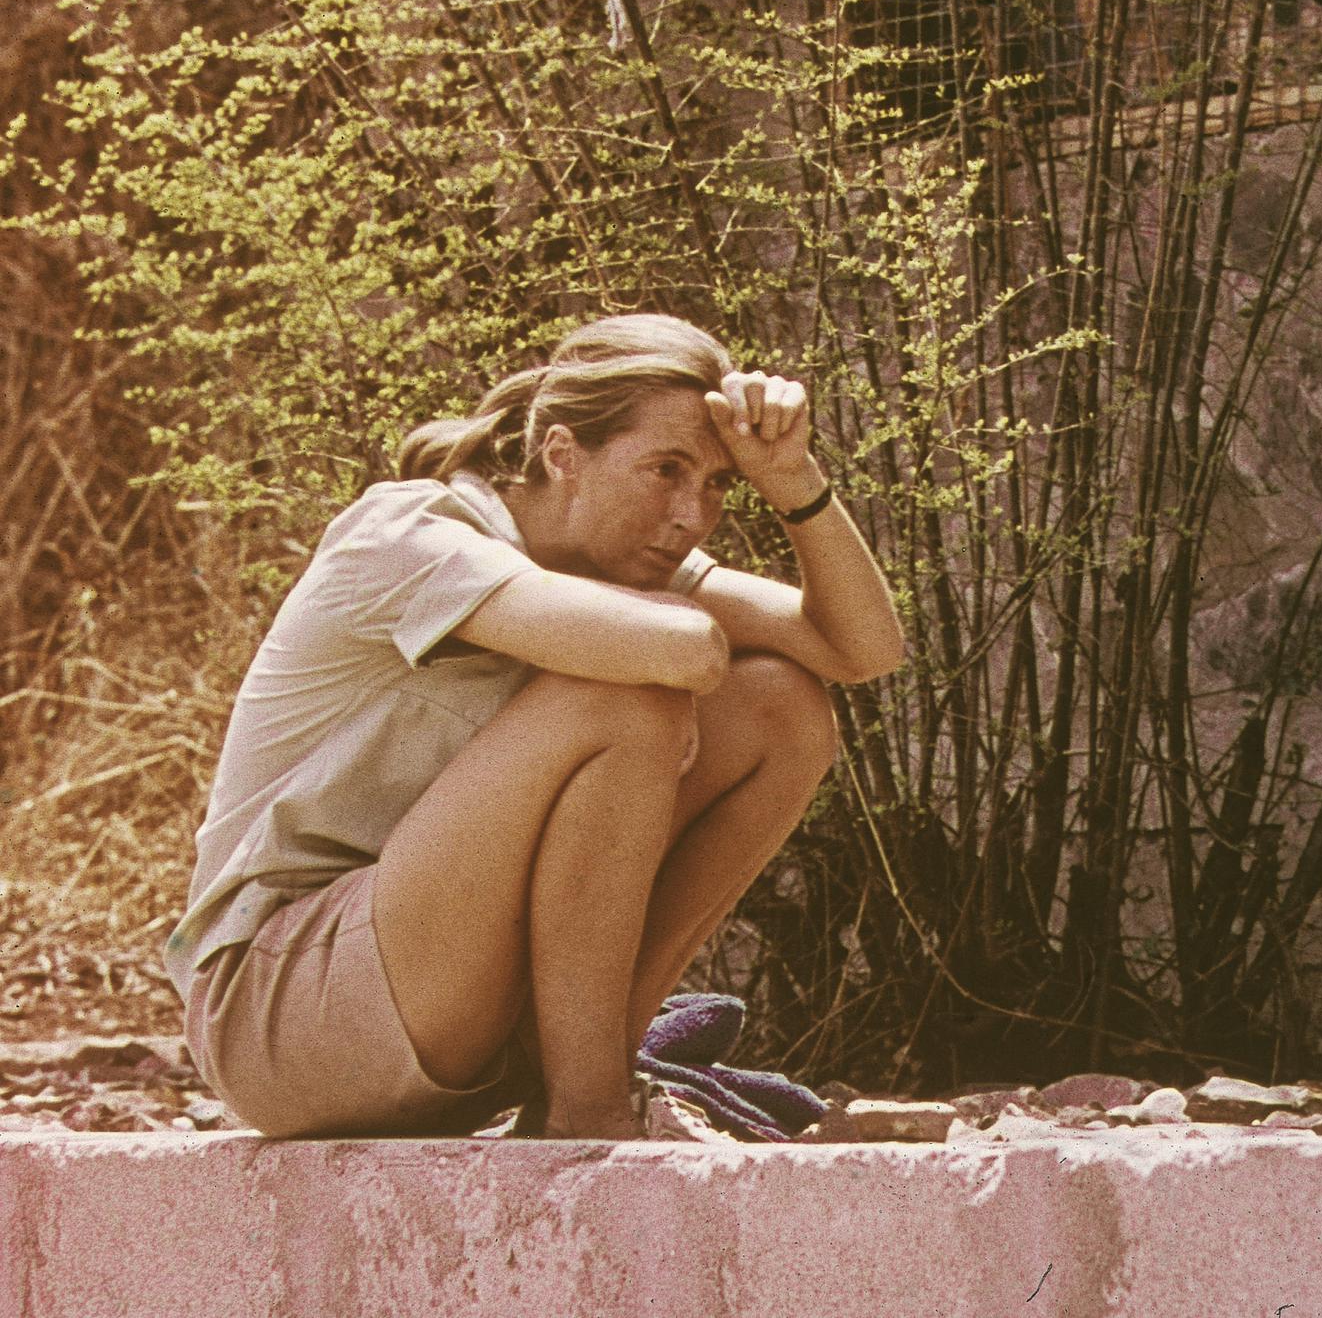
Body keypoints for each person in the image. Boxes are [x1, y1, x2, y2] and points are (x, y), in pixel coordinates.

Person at [164, 314, 905, 1139]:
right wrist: (669, 666)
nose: (691, 514)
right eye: (666, 470)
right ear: (562, 456)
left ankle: (595, 1060)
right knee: (630, 694)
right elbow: (682, 649)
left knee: (784, 708)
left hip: (440, 1000)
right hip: (279, 1013)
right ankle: (591, 1112)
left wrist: (794, 477)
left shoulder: (614, 558)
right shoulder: (412, 535)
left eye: (719, 485)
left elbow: (861, 649)